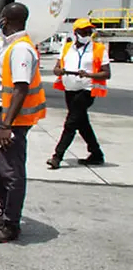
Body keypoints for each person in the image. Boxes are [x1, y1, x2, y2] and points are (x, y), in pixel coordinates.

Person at [0, 2, 46, 243]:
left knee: (10, 171)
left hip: (11, 118)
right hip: (2, 114)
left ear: (5, 20)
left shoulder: (21, 50)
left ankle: (11, 225)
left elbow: (21, 87)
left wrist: (6, 125)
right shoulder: (12, 46)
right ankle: (4, 213)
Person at [47, 18, 109, 169]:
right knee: (82, 123)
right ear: (76, 33)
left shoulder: (98, 48)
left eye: (89, 31)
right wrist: (59, 71)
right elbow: (56, 68)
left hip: (87, 89)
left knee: (71, 122)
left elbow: (106, 73)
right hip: (70, 89)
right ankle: (96, 154)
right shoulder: (67, 47)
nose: (87, 33)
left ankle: (57, 156)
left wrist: (88, 75)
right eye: (84, 31)